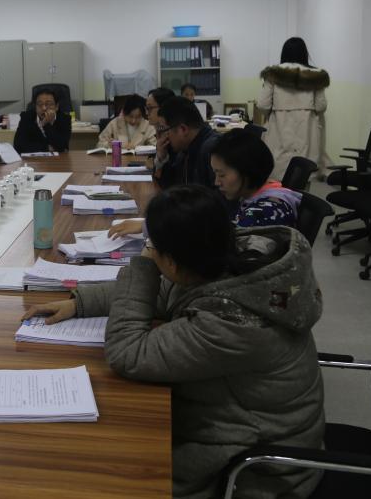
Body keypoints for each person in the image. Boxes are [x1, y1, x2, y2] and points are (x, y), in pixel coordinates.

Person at [24, 185, 324, 498]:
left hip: (255, 471)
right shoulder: (226, 261)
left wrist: (143, 263)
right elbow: (167, 292)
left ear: (173, 261)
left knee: (98, 473)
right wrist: (80, 303)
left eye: (153, 246)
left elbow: (128, 353)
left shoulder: (232, 320)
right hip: (230, 425)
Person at [257, 36, 330, 180]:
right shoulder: (315, 76)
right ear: (304, 53)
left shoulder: (273, 74)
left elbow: (262, 104)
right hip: (307, 128)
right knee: (303, 171)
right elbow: (321, 106)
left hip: (279, 127)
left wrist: (274, 112)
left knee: (278, 168)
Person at [210, 129, 302, 227]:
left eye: (222, 175)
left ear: (247, 170)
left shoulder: (264, 213)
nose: (216, 182)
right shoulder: (253, 195)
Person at [154, 96, 220, 190]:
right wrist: (161, 158)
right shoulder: (185, 148)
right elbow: (171, 188)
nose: (163, 137)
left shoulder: (212, 149)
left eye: (164, 130)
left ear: (183, 129)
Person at [13, 86, 72, 153]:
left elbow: (62, 147)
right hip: (33, 159)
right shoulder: (26, 117)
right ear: (35, 106)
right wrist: (46, 148)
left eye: (48, 104)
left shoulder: (65, 119)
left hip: (58, 159)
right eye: (40, 104)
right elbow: (18, 146)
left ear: (56, 107)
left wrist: (47, 124)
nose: (44, 108)